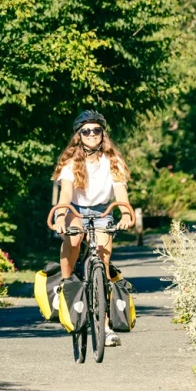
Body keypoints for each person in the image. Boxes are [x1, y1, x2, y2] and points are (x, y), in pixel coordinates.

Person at [52, 110, 132, 348]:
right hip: (74, 210)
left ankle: (105, 327)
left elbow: (121, 194)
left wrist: (126, 213)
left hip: (102, 211)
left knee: (104, 269)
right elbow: (65, 194)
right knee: (74, 239)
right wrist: (59, 216)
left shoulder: (113, 161)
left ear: (102, 133)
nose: (91, 134)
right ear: (79, 135)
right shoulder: (70, 162)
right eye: (86, 131)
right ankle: (65, 284)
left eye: (96, 130)